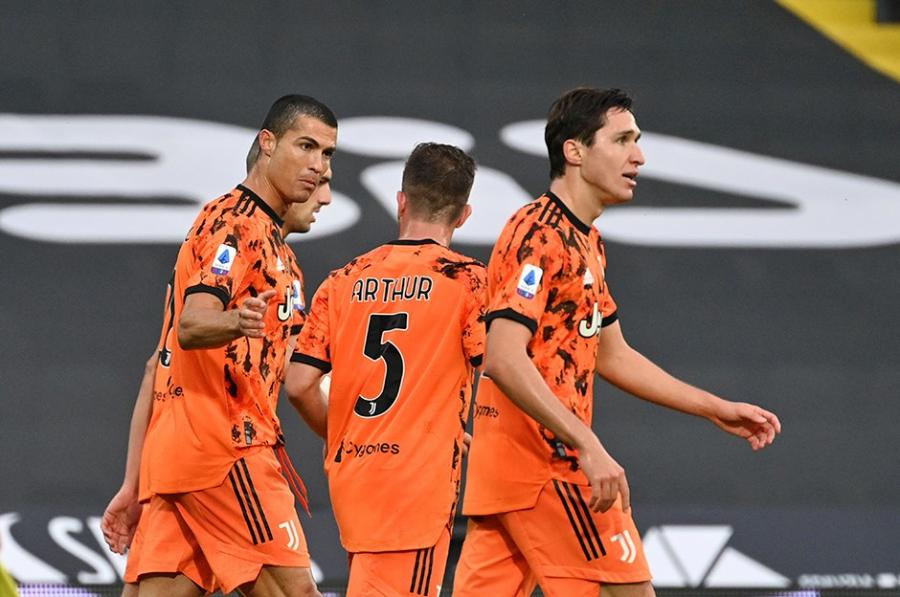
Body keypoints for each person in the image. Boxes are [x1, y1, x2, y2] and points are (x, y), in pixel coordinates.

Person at [453, 87, 782, 597]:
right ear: (575, 150)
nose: (639, 156)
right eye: (623, 140)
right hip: (551, 469)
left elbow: (614, 354)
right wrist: (587, 444)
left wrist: (713, 408)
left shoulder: (585, 241)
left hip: (511, 477)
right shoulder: (539, 233)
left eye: (637, 140)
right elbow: (503, 356)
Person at [102, 94, 337, 597]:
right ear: (268, 143)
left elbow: (157, 366)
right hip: (229, 450)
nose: (320, 169)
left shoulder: (280, 258)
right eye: (307, 147)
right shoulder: (235, 222)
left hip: (177, 461)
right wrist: (235, 321)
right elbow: (193, 325)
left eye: (327, 154)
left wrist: (134, 483)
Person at [285, 142, 485, 597]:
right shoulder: (469, 281)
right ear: (463, 216)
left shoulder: (343, 279)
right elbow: (503, 370)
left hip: (354, 480)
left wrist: (344, 433)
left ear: (401, 201)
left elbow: (298, 384)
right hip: (416, 488)